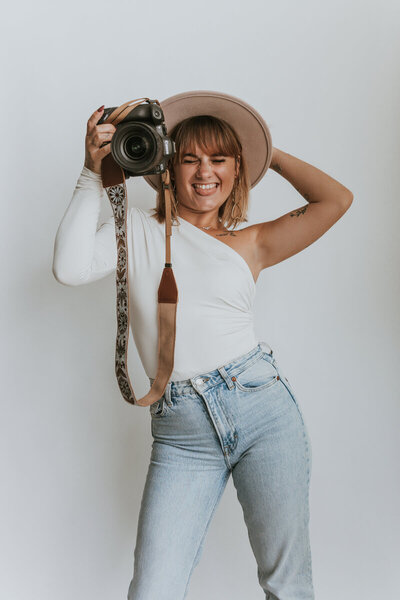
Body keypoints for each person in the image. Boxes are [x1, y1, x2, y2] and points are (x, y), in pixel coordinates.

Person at [52, 92, 353, 600]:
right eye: (189, 158)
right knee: (153, 590)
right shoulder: (138, 230)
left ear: (238, 169)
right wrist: (90, 172)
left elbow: (336, 200)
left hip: (262, 409)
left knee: (287, 584)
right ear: (168, 163)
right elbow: (69, 268)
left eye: (220, 158)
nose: (204, 172)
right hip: (181, 434)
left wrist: (266, 151)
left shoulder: (252, 243)